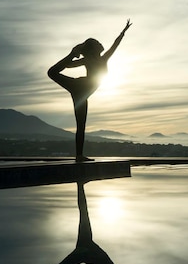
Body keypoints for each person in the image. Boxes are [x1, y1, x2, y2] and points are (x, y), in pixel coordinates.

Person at [48, 20, 132, 162]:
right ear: (93, 48)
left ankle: (79, 156)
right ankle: (79, 156)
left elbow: (115, 45)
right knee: (52, 72)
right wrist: (72, 54)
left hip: (82, 93)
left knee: (81, 125)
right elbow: (68, 66)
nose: (100, 44)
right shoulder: (88, 60)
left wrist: (123, 32)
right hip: (79, 87)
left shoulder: (103, 59)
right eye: (97, 43)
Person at [54, 181, 142, 264]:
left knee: (84, 213)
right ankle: (80, 184)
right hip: (85, 247)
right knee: (83, 213)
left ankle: (80, 184)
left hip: (84, 251)